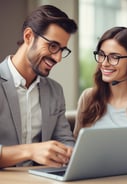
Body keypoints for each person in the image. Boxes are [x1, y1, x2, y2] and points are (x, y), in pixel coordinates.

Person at [0, 5, 77, 167]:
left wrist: (70, 153)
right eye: (53, 46)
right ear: (28, 36)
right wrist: (30, 151)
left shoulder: (55, 91)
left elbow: (65, 140)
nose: (58, 58)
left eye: (62, 50)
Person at [73, 26, 127, 139]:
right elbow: (76, 146)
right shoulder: (88, 98)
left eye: (114, 57)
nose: (104, 63)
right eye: (101, 55)